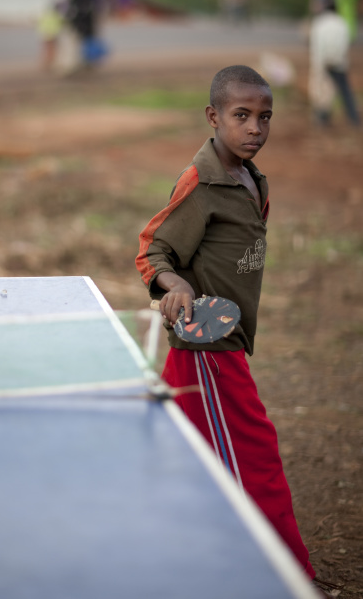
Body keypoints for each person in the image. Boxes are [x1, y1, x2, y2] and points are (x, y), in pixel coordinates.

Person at [136, 66, 316, 582]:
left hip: (224, 344)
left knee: (182, 456)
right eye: (242, 116)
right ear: (214, 117)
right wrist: (178, 286)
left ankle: (177, 558)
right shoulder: (201, 182)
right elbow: (154, 249)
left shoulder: (251, 178)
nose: (255, 128)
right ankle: (282, 572)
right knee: (254, 453)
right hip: (209, 351)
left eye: (264, 117)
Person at [309, 0, 360, 127]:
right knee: (345, 91)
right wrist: (337, 58)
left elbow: (317, 47)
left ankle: (323, 119)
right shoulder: (341, 23)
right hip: (339, 63)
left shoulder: (320, 23)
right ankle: (354, 118)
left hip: (324, 63)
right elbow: (345, 43)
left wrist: (319, 66)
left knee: (323, 91)